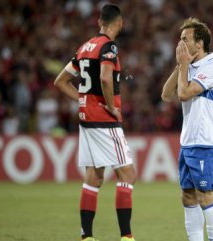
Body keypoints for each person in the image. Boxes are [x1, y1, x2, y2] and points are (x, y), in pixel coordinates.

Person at [54, 4, 136, 241]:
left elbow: (60, 81)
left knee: (94, 177)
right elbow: (104, 77)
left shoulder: (84, 47)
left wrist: (83, 99)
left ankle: (87, 236)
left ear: (100, 21)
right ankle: (127, 237)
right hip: (104, 120)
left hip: (86, 119)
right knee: (128, 175)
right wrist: (111, 106)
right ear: (119, 23)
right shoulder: (108, 46)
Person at [161, 17, 213, 241]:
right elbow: (166, 95)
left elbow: (184, 94)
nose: (180, 44)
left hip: (206, 143)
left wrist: (185, 67)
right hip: (189, 143)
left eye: (184, 39)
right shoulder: (188, 68)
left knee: (206, 196)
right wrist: (181, 66)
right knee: (188, 197)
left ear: (199, 43)